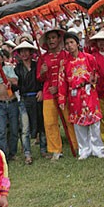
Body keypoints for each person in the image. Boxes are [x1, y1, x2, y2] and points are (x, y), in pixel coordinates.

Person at [59, 32, 104, 160]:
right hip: (74, 95)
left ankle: (98, 149)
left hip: (89, 91)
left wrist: (94, 79)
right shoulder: (64, 63)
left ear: (77, 43)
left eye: (71, 42)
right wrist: (62, 98)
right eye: (67, 43)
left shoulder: (89, 58)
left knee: (94, 122)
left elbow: (97, 73)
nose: (69, 46)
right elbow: (62, 81)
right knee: (79, 124)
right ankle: (84, 149)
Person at [37, 29, 78, 160]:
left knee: (69, 120)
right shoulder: (42, 58)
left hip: (64, 93)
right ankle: (55, 150)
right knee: (50, 122)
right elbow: (39, 78)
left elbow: (71, 72)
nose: (51, 41)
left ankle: (76, 145)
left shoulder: (66, 55)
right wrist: (43, 72)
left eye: (53, 38)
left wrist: (60, 87)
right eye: (49, 39)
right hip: (48, 94)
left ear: (58, 39)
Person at [13, 41, 46, 164]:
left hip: (37, 97)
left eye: (26, 50)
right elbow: (15, 87)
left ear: (31, 52)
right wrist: (11, 84)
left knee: (41, 124)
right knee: (25, 128)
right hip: (24, 99)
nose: (24, 53)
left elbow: (43, 80)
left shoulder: (37, 65)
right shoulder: (17, 69)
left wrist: (41, 90)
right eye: (21, 51)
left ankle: (43, 149)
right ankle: (27, 154)